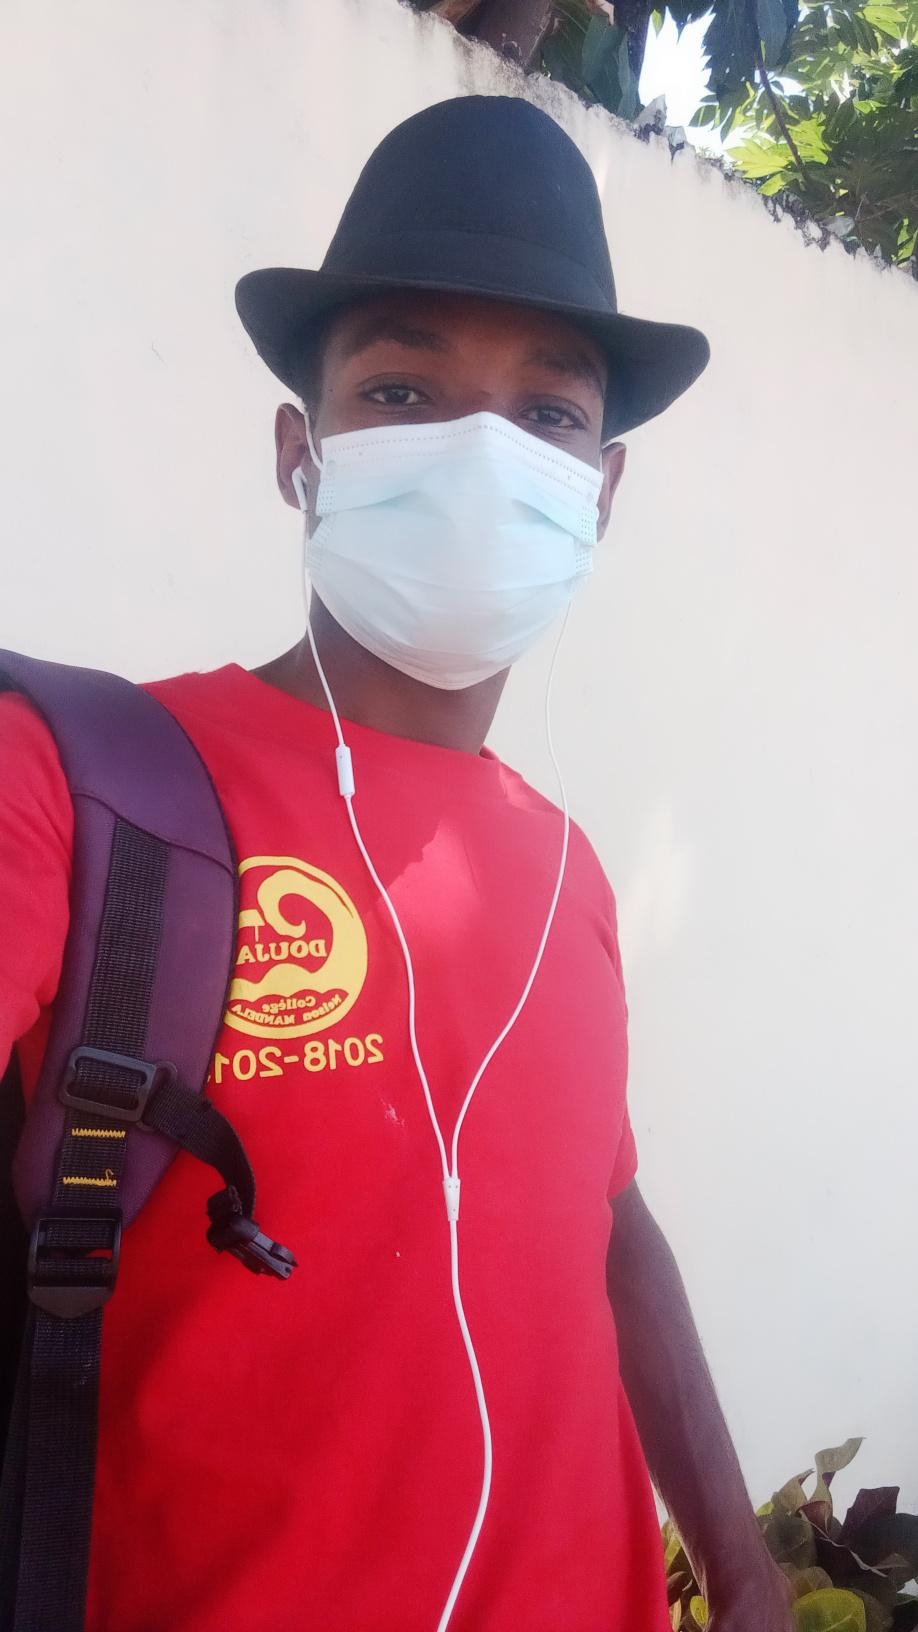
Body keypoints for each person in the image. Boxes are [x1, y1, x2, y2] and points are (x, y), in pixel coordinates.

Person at [0, 95, 791, 1631]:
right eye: (403, 389)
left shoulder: (564, 867)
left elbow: (606, 1220)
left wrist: (741, 1565)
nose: (479, 455)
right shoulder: (84, 788)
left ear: (602, 488)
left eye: (547, 415)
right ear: (299, 452)